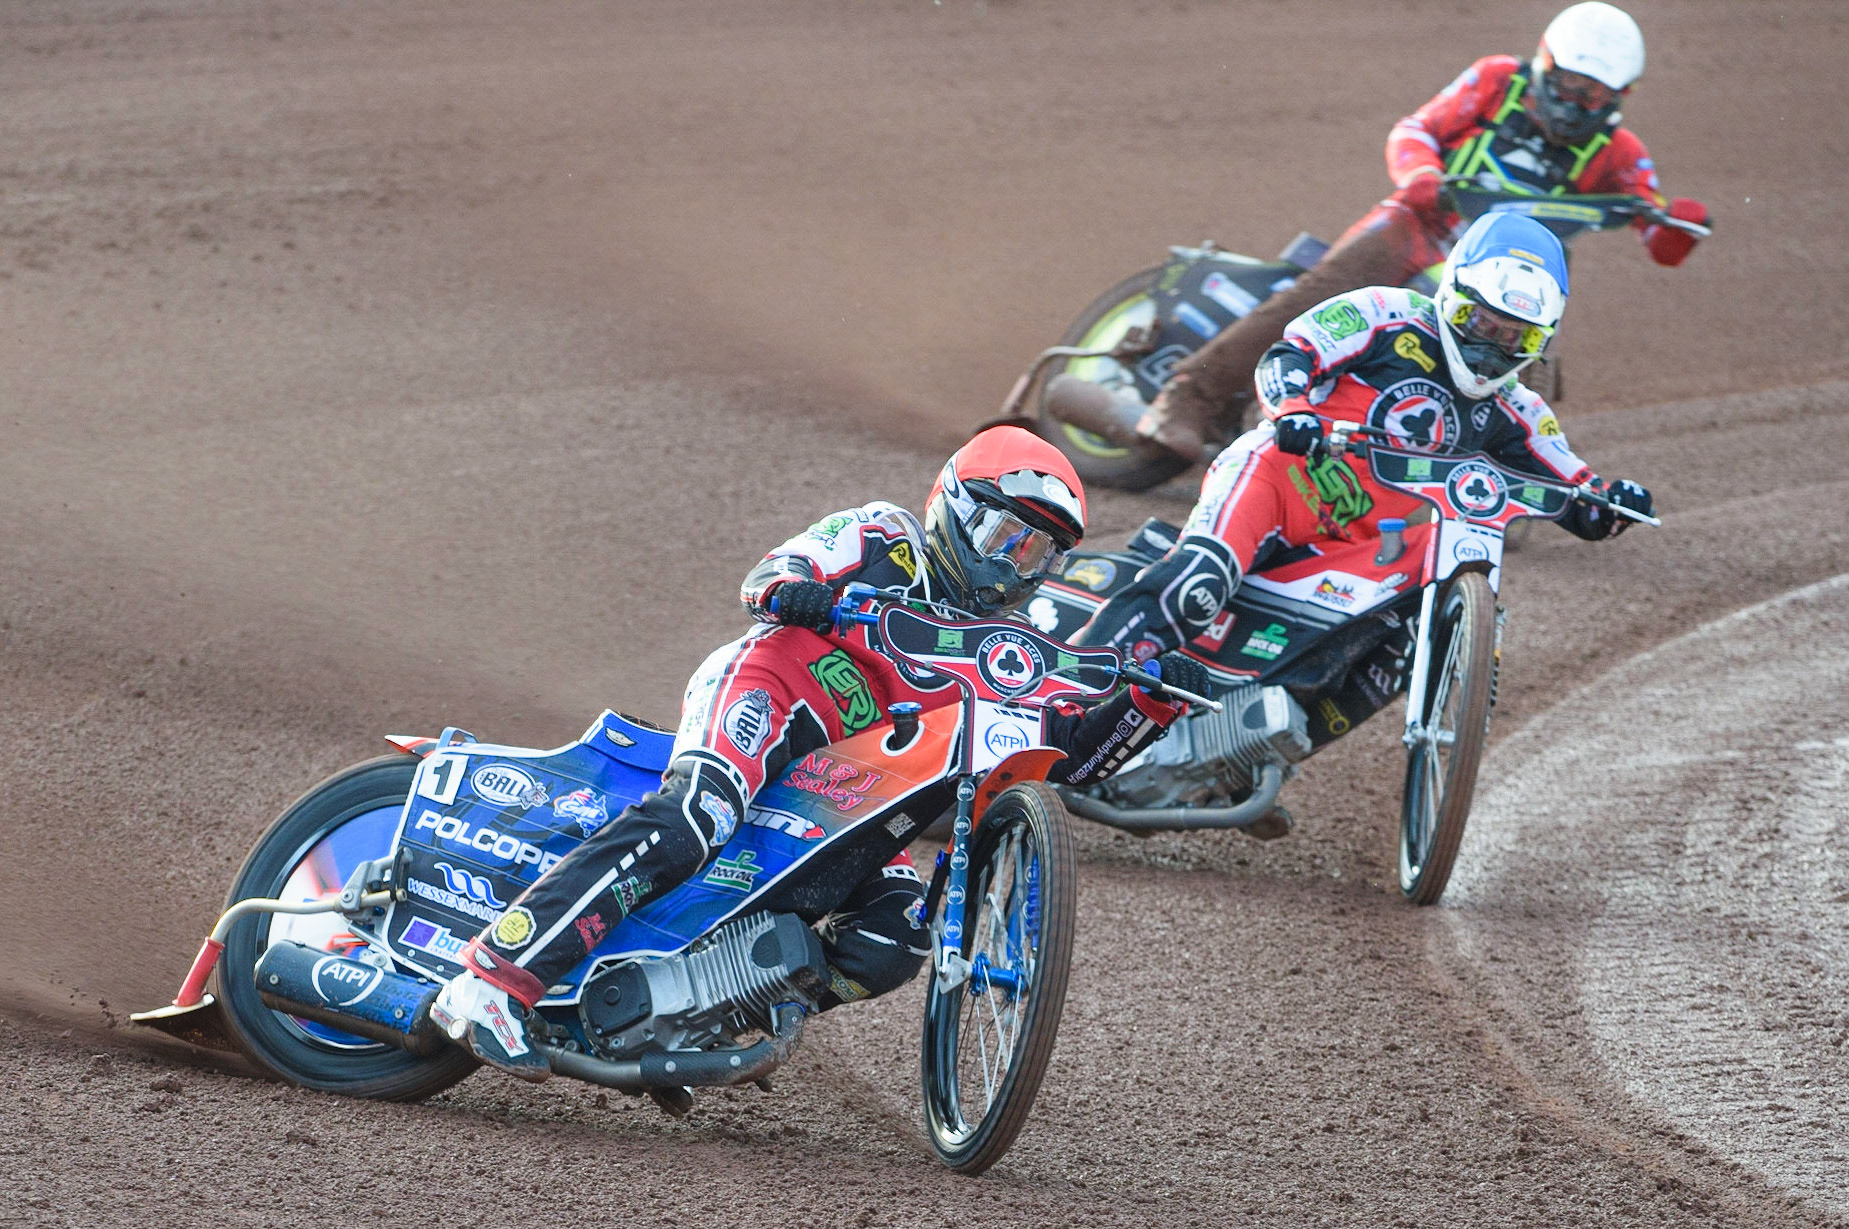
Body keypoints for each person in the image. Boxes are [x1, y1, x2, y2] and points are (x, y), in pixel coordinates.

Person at [428, 425, 1208, 1078]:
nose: (1013, 566)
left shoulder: (1006, 647)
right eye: (1005, 538)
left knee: (894, 937)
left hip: (846, 789)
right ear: (954, 508)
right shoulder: (884, 536)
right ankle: (488, 982)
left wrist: (1151, 703)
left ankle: (706, 1009)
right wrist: (796, 591)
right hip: (769, 692)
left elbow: (1069, 759)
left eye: (1036, 555)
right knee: (693, 817)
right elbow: (775, 571)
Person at [1114, 1, 1709, 463]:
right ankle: (1186, 396)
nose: (1579, 103)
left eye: (1595, 93)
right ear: (1545, 63)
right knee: (1326, 298)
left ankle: (1495, 459)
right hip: (1419, 226)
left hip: (1506, 274)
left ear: (1620, 96)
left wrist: (1679, 229)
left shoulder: (1620, 152)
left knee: (1527, 339)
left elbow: (1655, 227)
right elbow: (1415, 129)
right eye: (1572, 85)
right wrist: (1422, 175)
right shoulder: (1496, 81)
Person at [1072, 211, 1652, 664]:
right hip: (1277, 482)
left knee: (1392, 643)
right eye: (1481, 324)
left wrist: (1613, 502)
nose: (1491, 348)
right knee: (1199, 586)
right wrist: (1293, 411)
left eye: (1515, 338)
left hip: (1358, 548)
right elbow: (1289, 356)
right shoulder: (1384, 312)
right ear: (1454, 297)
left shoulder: (1519, 410)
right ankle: (1073, 682)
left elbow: (1579, 493)